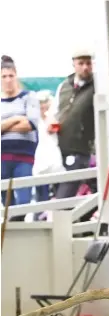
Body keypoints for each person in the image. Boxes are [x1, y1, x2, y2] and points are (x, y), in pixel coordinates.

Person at [47, 49, 95, 199]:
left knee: (63, 198)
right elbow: (53, 112)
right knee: (61, 192)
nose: (85, 67)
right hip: (60, 148)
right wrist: (51, 122)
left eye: (88, 63)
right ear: (73, 64)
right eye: (81, 63)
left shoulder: (98, 86)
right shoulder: (64, 86)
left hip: (83, 149)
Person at [1, 55, 39, 219]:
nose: (8, 80)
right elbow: (22, 122)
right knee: (7, 202)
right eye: (4, 76)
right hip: (2, 158)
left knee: (23, 200)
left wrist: (4, 126)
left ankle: (20, 228)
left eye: (11, 76)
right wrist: (17, 118)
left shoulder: (29, 97)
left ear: (16, 76)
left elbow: (30, 124)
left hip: (24, 157)